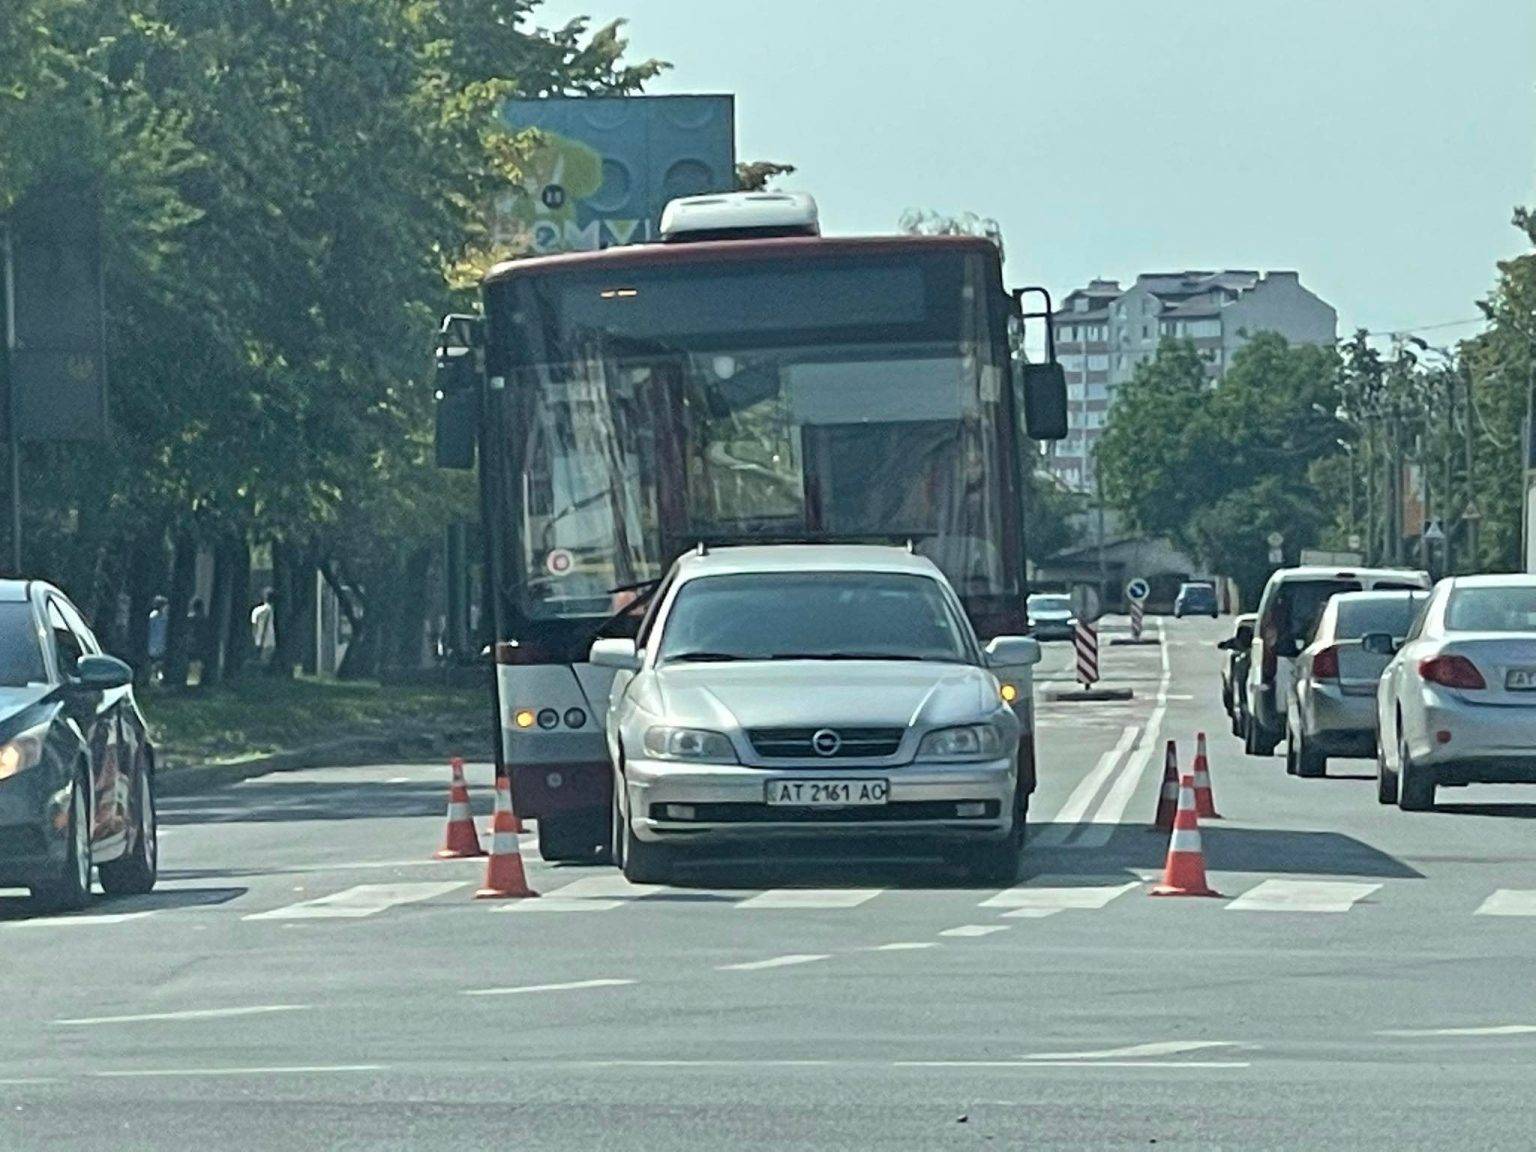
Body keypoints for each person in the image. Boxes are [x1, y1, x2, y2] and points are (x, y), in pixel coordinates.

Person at [250, 587, 276, 666]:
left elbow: (254, 628)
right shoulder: (272, 610)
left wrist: (256, 641)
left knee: (261, 664)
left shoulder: (257, 611)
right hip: (271, 642)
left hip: (260, 642)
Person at [146, 596, 169, 682]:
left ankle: (155, 675)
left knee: (156, 661)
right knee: (157, 660)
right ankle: (155, 675)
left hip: (155, 642)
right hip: (156, 642)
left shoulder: (152, 616)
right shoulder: (159, 618)